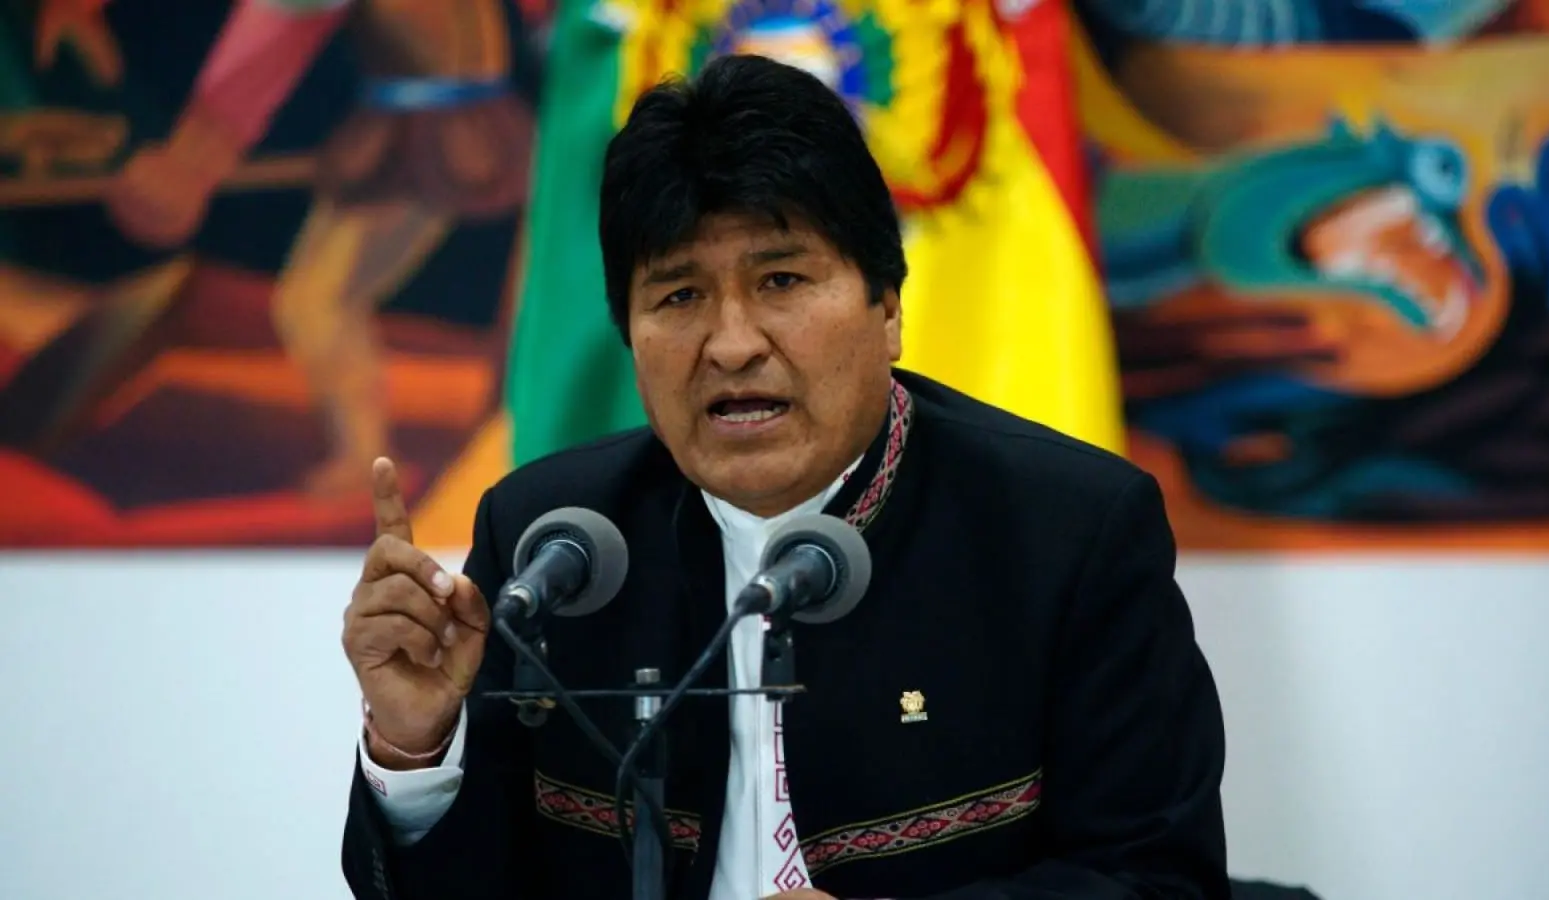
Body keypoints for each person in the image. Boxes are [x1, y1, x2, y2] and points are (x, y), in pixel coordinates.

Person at [338, 54, 1229, 900]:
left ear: (888, 307)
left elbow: (1158, 880)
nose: (732, 345)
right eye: (679, 296)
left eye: (782, 280)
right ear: (630, 336)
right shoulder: (555, 543)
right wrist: (416, 746)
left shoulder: (1065, 533)